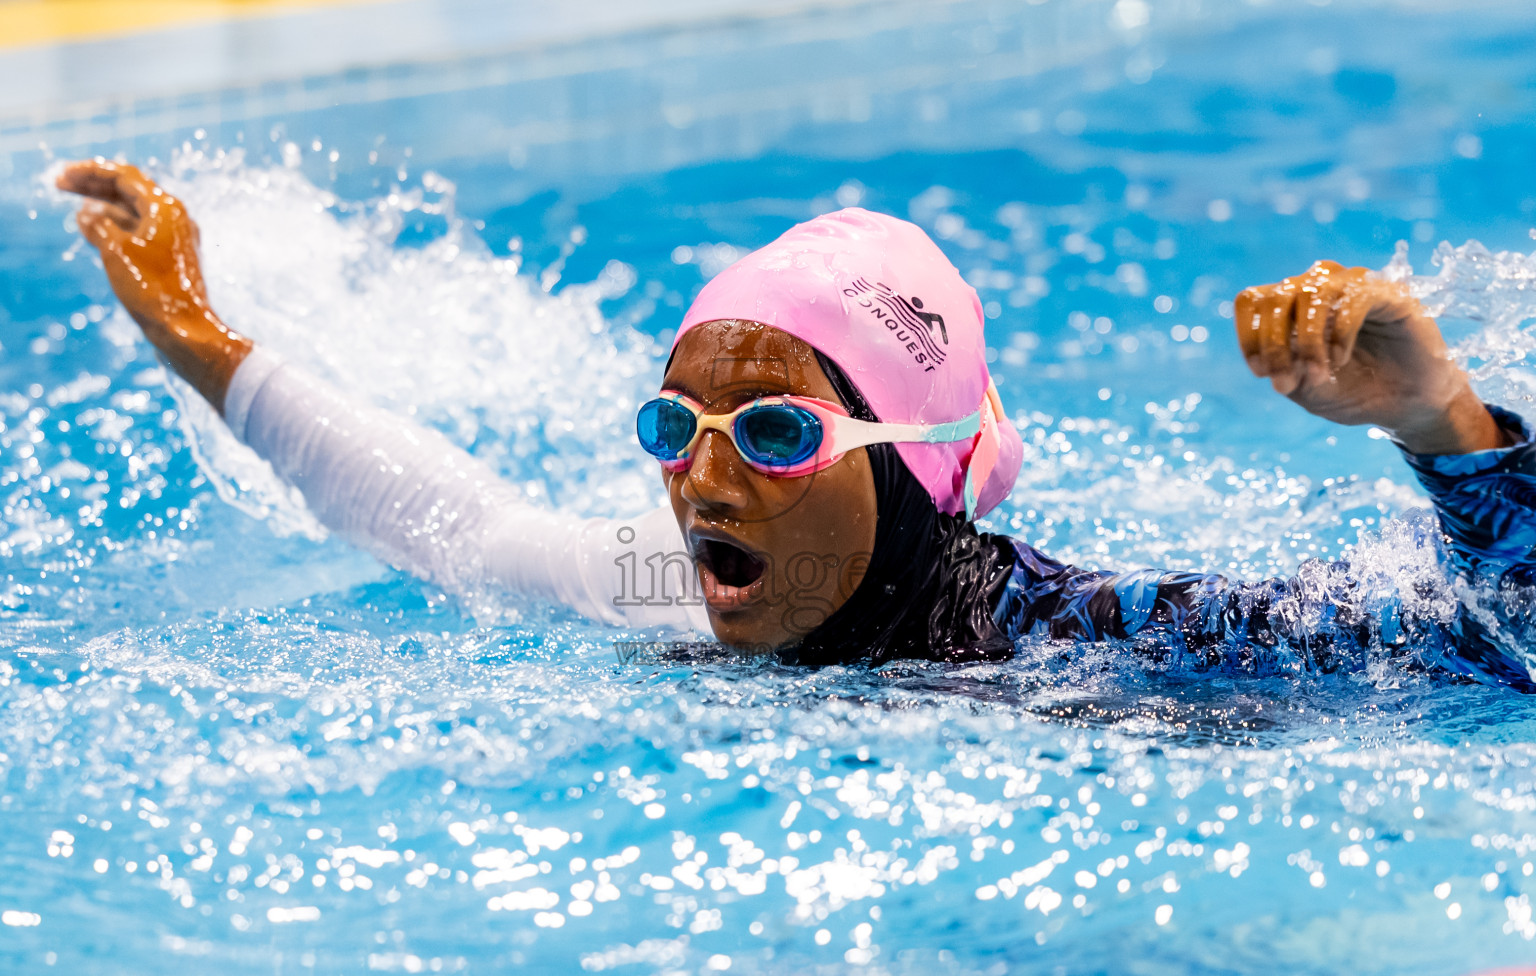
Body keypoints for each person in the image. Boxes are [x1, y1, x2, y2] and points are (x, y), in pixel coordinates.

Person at [56, 158, 1536, 686]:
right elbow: (443, 517)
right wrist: (203, 340)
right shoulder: (669, 591)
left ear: (910, 471)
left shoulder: (1081, 646)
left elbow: (1498, 653)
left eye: (772, 434)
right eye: (674, 423)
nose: (703, 478)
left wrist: (1444, 424)